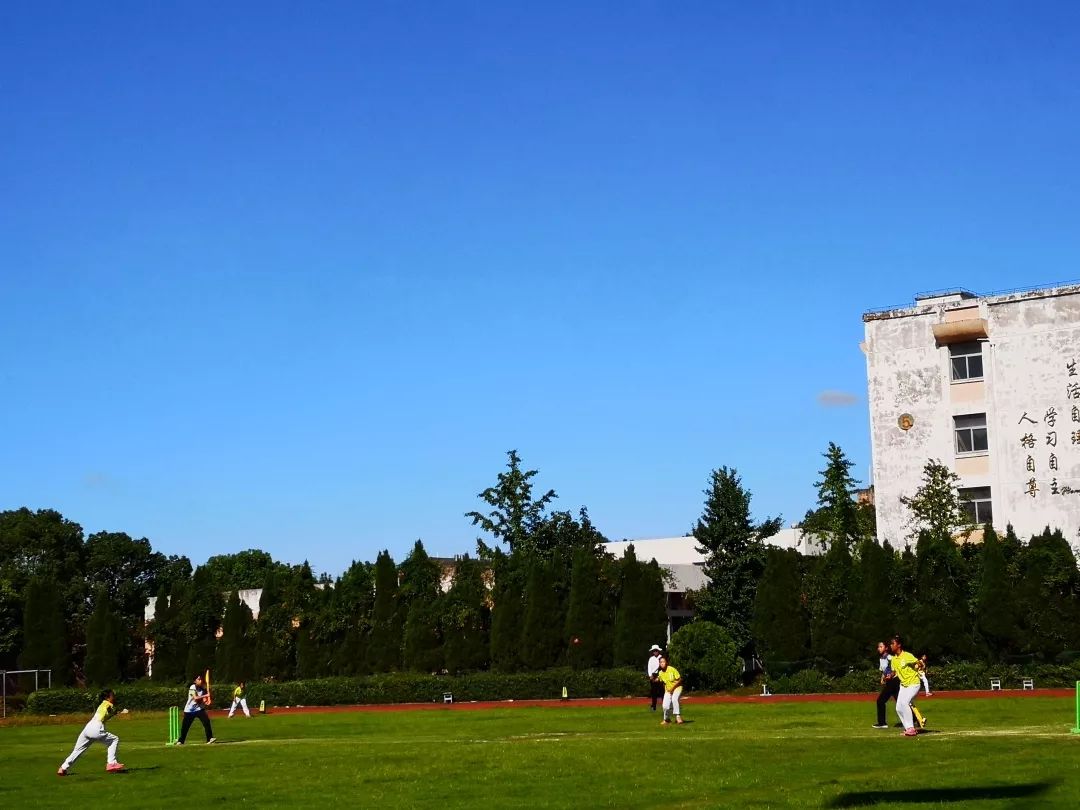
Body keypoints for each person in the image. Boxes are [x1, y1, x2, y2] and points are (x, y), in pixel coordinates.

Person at [58, 689, 125, 775]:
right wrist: (117, 712)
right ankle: (111, 763)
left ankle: (63, 768)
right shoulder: (108, 704)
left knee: (78, 750)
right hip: (96, 728)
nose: (114, 697)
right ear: (107, 697)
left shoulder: (102, 704)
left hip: (88, 728)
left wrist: (115, 712)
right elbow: (108, 709)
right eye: (112, 695)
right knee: (114, 739)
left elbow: (108, 713)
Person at [889, 635, 923, 737]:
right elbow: (894, 672)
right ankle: (908, 728)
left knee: (905, 703)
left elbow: (918, 663)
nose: (891, 645)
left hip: (913, 683)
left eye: (893, 643)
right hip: (903, 685)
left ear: (899, 645)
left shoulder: (907, 655)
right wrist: (889, 676)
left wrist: (920, 665)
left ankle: (911, 728)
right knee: (898, 708)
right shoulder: (894, 659)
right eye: (890, 644)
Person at [177, 673, 216, 745]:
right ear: (195, 681)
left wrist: (207, 702)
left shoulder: (203, 689)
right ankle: (181, 741)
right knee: (185, 727)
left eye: (201, 679)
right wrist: (206, 695)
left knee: (206, 722)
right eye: (199, 679)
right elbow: (195, 698)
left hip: (199, 709)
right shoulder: (192, 687)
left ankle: (210, 738)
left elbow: (203, 700)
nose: (200, 681)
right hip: (189, 710)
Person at [873, 641, 899, 729]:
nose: (879, 648)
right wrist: (882, 678)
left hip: (893, 681)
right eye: (878, 647)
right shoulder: (881, 659)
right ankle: (915, 720)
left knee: (880, 701)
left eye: (881, 647)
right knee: (901, 702)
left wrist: (891, 674)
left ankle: (882, 723)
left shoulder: (889, 657)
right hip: (890, 682)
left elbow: (896, 667)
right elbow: (884, 671)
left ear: (886, 648)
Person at [656, 655, 684, 725]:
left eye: (663, 662)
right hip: (668, 690)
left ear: (667, 663)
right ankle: (667, 719)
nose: (662, 663)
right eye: (660, 662)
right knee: (665, 706)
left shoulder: (672, 669)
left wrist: (672, 688)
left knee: (674, 699)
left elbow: (680, 679)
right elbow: (661, 681)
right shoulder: (660, 673)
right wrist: (655, 679)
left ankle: (678, 717)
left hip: (677, 688)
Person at [646, 644, 663, 711]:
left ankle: (665, 705)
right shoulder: (651, 659)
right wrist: (650, 675)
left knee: (662, 691)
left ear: (658, 651)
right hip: (653, 675)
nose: (655, 652)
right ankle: (654, 705)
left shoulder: (661, 658)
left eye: (656, 650)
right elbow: (649, 667)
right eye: (654, 651)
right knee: (653, 692)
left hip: (660, 675)